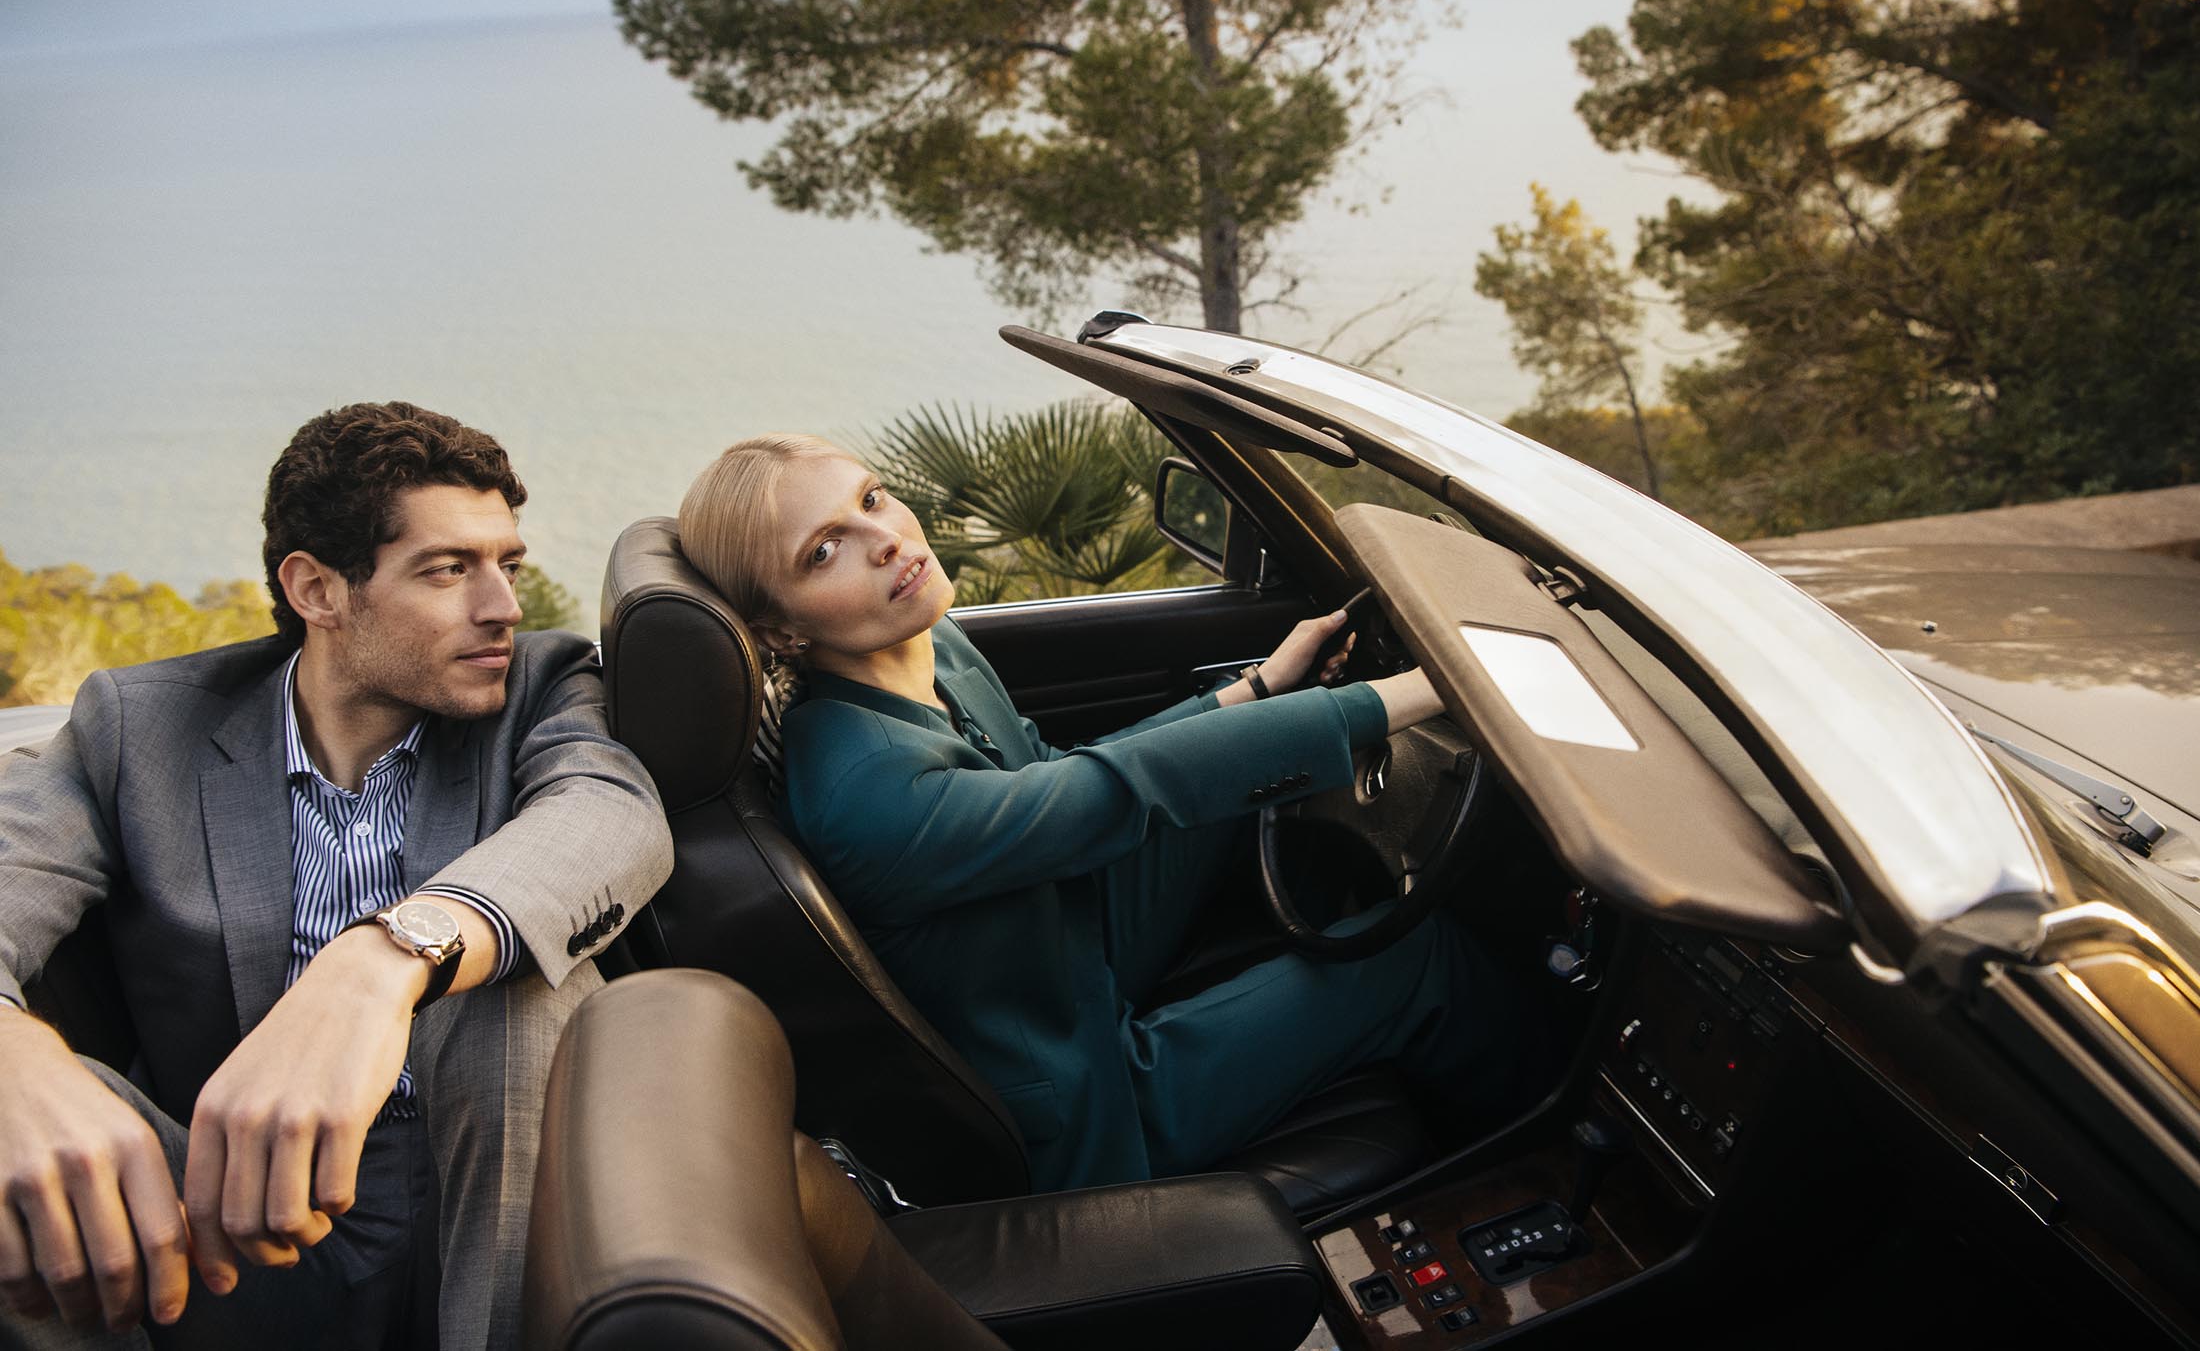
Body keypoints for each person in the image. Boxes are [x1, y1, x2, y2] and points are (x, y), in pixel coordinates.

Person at [678, 434, 1534, 1194]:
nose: (887, 540)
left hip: (1065, 942)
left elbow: (1056, 774)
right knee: (1412, 956)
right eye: (824, 550)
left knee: (1271, 801)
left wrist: (1260, 686)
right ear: (779, 630)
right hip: (1086, 1105)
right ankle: (1550, 1154)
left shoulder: (929, 642)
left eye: (871, 499)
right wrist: (1433, 685)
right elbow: (1115, 788)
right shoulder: (866, 790)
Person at [0, 403, 674, 1351]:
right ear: (317, 589)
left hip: (487, 1205)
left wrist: (383, 961)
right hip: (233, 1229)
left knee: (512, 999)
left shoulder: (543, 685)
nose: (503, 606)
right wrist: (13, 1055)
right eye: (449, 569)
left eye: (507, 564)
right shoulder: (137, 728)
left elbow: (609, 816)